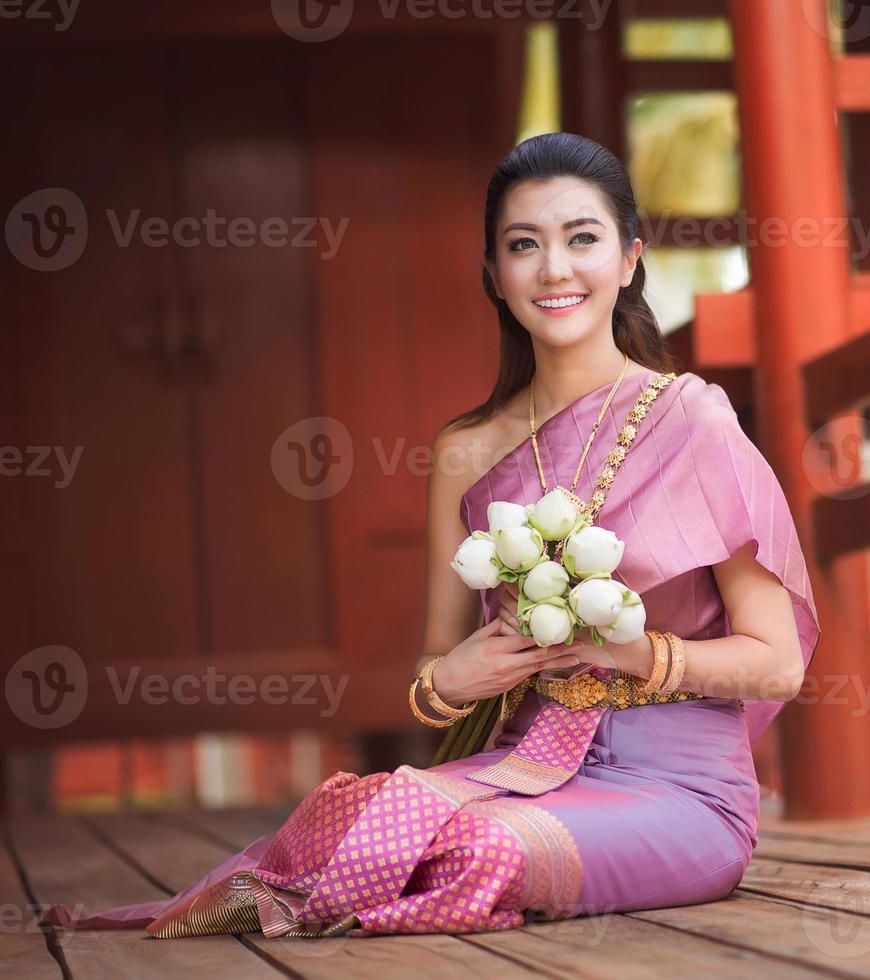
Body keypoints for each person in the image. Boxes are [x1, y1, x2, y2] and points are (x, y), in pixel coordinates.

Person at [41, 131, 820, 939]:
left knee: (474, 846)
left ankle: (348, 900)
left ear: (628, 259)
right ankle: (307, 892)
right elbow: (432, 675)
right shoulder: (467, 450)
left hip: (680, 791)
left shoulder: (691, 419)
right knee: (351, 816)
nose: (554, 269)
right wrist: (455, 675)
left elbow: (780, 664)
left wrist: (642, 654)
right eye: (525, 246)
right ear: (494, 274)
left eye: (582, 239)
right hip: (519, 768)